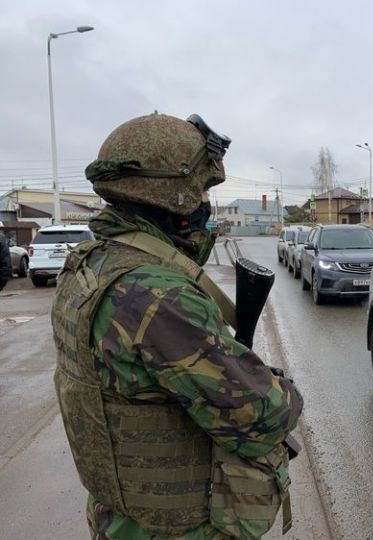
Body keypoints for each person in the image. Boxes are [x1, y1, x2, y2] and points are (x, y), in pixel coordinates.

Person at [51, 112, 303, 540]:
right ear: (174, 194)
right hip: (178, 528)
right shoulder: (157, 294)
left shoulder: (93, 263)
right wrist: (282, 390)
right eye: (202, 189)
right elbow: (262, 416)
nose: (206, 202)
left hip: (121, 518)